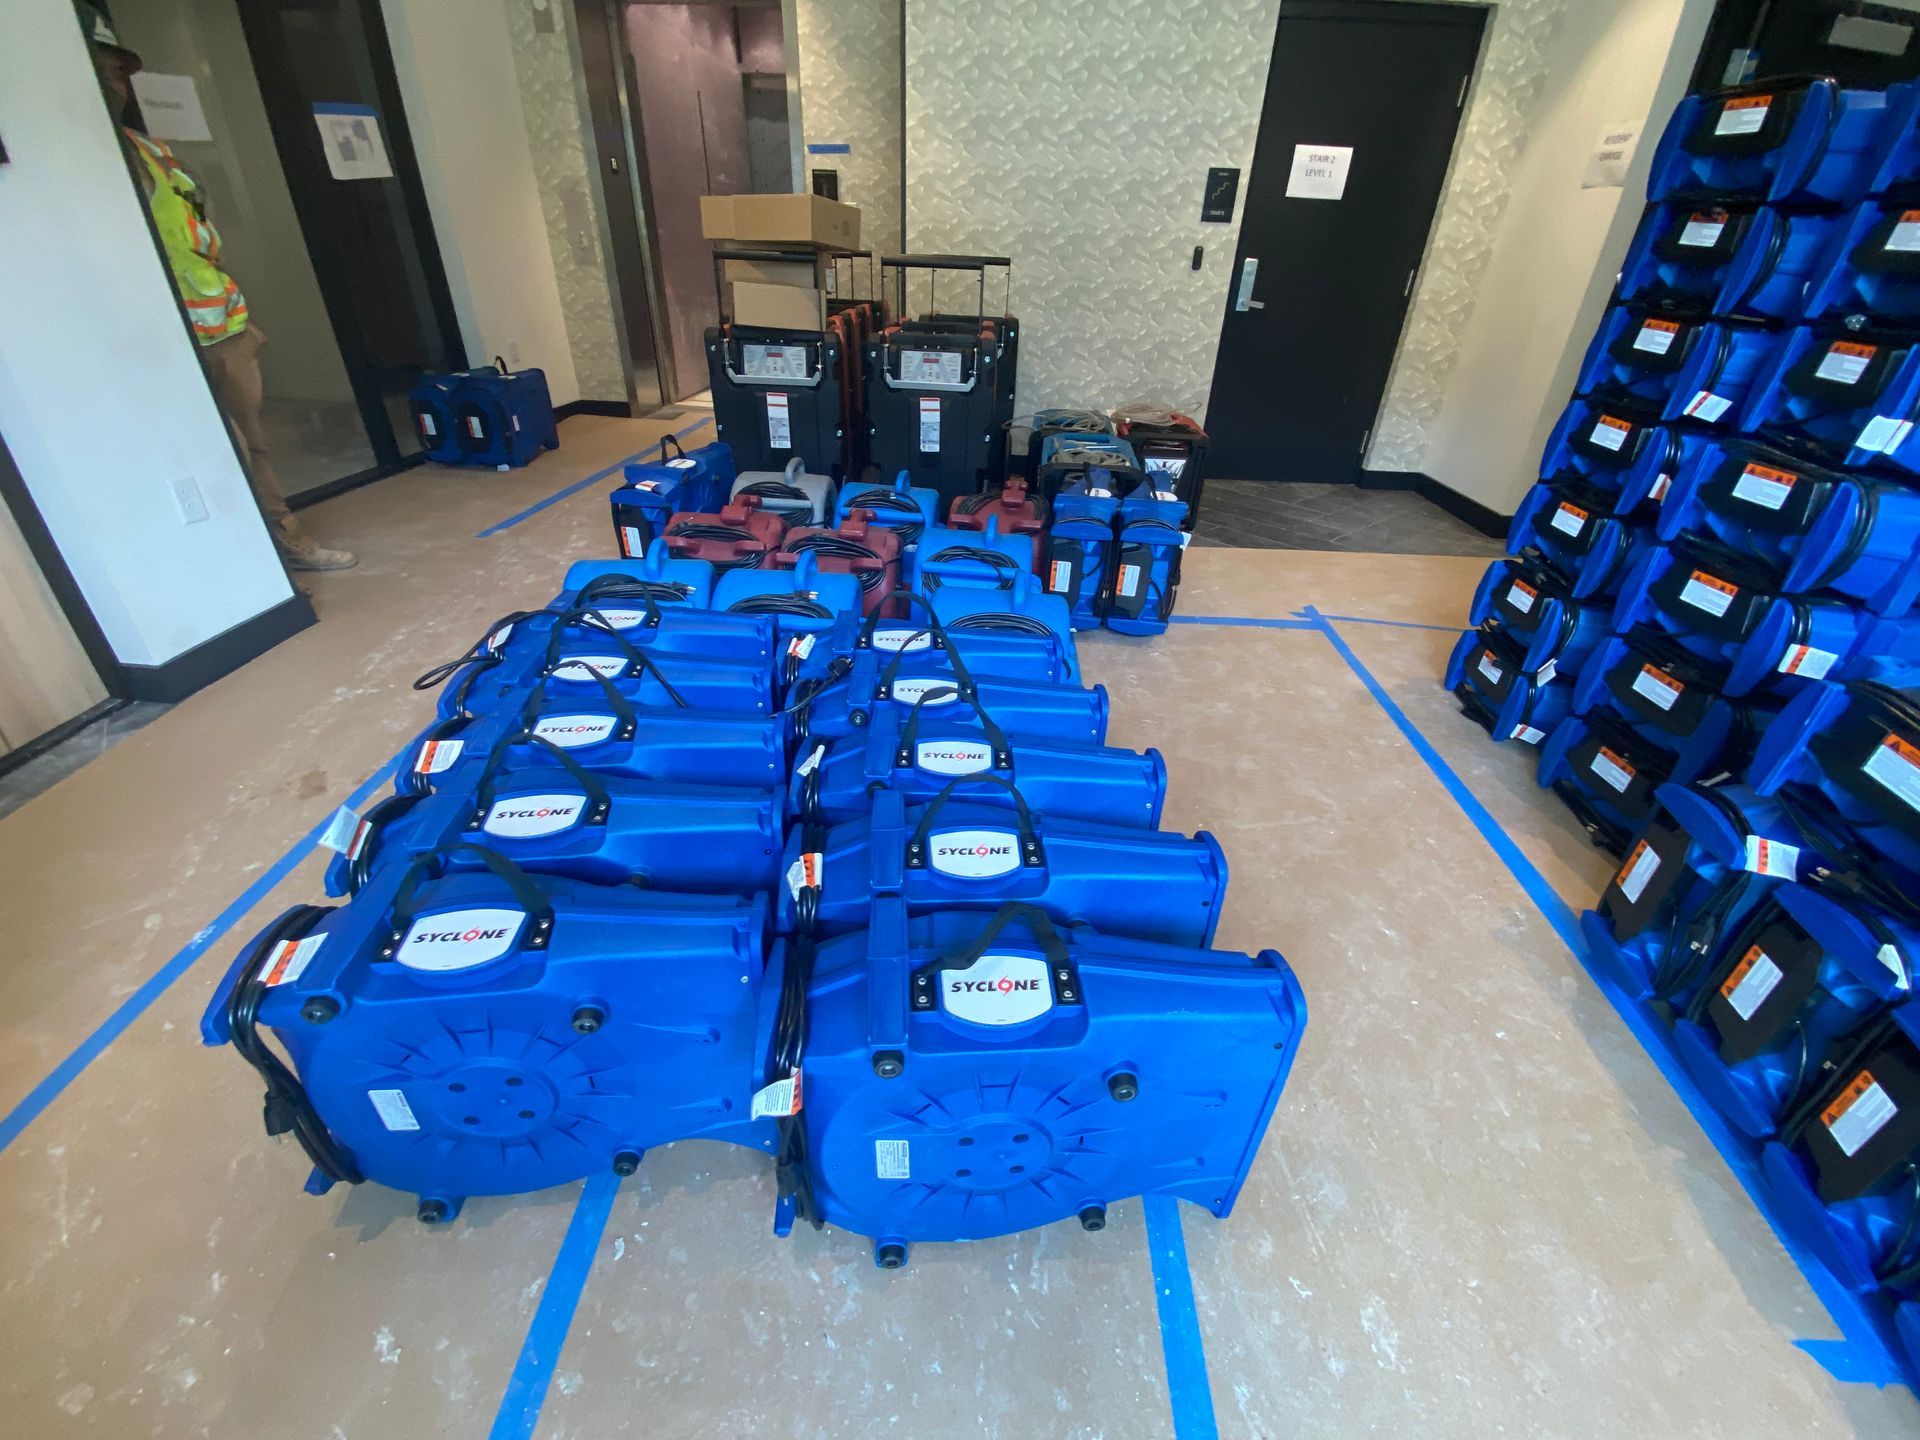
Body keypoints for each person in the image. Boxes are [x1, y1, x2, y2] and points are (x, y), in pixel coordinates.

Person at [82, 5, 357, 571]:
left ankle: (288, 547)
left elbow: (201, 242)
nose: (114, 84)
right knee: (198, 455)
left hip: (220, 332)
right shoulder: (71, 163)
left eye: (118, 72)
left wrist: (241, 319)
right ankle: (241, 571)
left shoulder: (154, 156)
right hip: (149, 342)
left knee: (253, 449)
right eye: (101, 69)